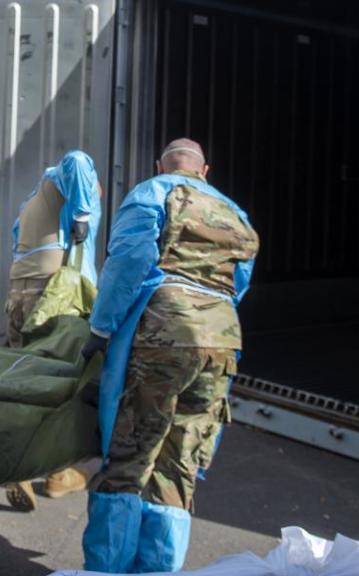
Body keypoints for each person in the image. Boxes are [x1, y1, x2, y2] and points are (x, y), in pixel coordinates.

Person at [80, 139, 259, 573]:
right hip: (223, 339)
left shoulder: (152, 191)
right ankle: (157, 568)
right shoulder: (234, 211)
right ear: (205, 170)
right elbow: (240, 281)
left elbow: (129, 259)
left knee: (130, 455)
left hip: (166, 330)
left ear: (160, 164)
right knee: (180, 460)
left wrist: (101, 328)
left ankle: (107, 569)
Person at [3, 150, 103, 512]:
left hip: (21, 292)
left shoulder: (33, 200)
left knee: (25, 378)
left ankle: (58, 472)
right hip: (52, 295)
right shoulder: (67, 176)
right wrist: (82, 216)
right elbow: (77, 159)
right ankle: (24, 465)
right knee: (56, 383)